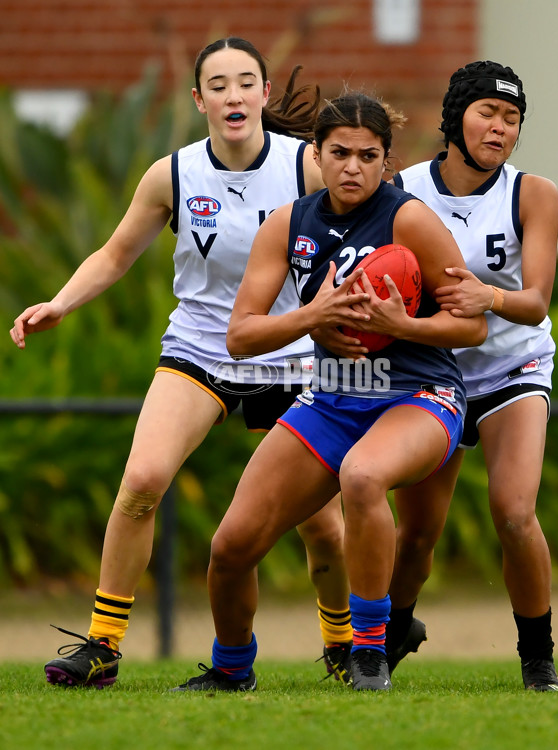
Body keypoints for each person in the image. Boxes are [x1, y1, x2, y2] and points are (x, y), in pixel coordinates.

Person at [9, 37, 354, 687]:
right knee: (141, 482)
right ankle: (103, 646)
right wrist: (61, 301)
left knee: (324, 527)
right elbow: (114, 255)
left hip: (291, 356)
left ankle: (343, 648)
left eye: (245, 82)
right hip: (201, 347)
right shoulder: (171, 175)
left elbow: (367, 235)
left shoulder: (307, 167)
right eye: (218, 85)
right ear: (198, 100)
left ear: (265, 93)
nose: (233, 95)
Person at [170, 90, 486, 693]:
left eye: (369, 156)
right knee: (231, 546)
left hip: (420, 397)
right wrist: (311, 316)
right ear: (316, 155)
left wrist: (403, 327)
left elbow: (471, 323)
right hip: (333, 399)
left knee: (363, 477)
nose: (352, 167)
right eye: (339, 153)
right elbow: (241, 337)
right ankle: (232, 669)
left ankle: (367, 654)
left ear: (387, 163)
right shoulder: (289, 223)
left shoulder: (409, 218)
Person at [388, 60, 558, 692]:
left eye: (511, 118)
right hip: (434, 369)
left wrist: (486, 298)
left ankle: (538, 659)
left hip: (512, 364)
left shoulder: (533, 193)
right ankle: (390, 635)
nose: (499, 127)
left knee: (514, 511)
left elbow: (536, 300)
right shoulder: (402, 191)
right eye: (487, 112)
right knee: (415, 536)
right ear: (454, 117)